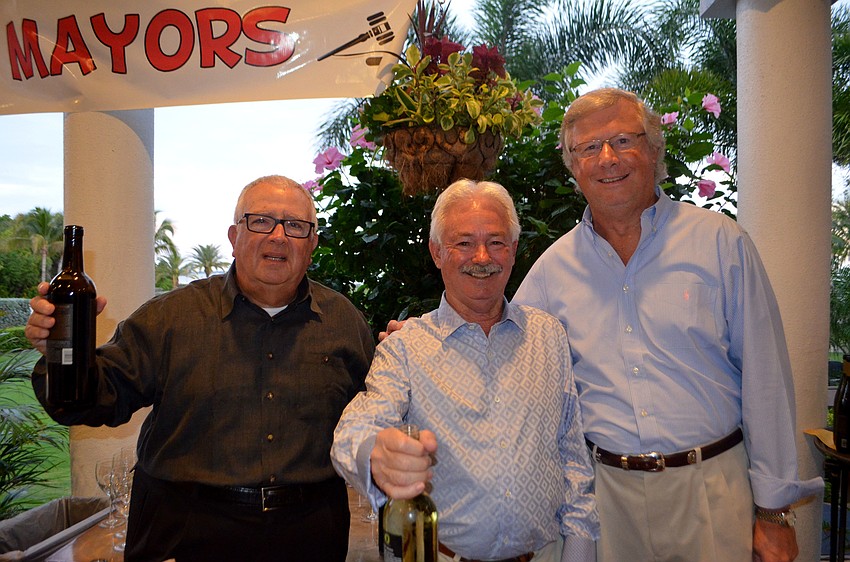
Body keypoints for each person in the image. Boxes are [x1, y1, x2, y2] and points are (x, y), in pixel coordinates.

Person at [511, 88, 823, 562]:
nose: (607, 158)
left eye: (623, 140)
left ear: (654, 151)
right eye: (589, 147)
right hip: (606, 504)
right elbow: (507, 360)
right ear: (573, 167)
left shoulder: (721, 244)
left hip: (714, 493)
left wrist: (774, 512)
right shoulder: (551, 272)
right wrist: (420, 344)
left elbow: (766, 380)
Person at [24, 175, 375, 562]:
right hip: (183, 532)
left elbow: (379, 416)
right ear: (234, 236)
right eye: (261, 221)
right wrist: (59, 354)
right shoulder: (169, 318)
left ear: (312, 244)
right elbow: (92, 401)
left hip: (310, 535)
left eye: (295, 225)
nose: (278, 236)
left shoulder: (344, 322)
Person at [332, 179, 599, 562]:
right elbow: (356, 426)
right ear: (437, 252)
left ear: (513, 250)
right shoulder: (405, 347)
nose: (482, 257)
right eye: (464, 243)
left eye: (496, 241)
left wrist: (579, 550)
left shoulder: (548, 335)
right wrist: (376, 456)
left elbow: (571, 455)